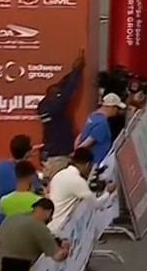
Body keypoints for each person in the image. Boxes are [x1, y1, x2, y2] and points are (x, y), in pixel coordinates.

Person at [0, 198, 70, 271]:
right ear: (48, 212)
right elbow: (58, 256)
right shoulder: (38, 226)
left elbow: (23, 238)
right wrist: (66, 248)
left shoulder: (13, 218)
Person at [37, 52, 85, 180]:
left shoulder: (44, 104)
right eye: (59, 95)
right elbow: (68, 91)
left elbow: (62, 86)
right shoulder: (55, 108)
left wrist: (74, 70)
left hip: (52, 153)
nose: (60, 94)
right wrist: (77, 71)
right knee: (57, 184)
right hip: (57, 156)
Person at [0, 134, 41, 249]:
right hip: (19, 227)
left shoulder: (0, 166)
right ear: (27, 152)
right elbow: (38, 191)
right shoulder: (29, 174)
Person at [47, 146, 115, 234]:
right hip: (62, 228)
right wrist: (108, 192)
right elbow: (96, 204)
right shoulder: (77, 180)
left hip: (53, 223)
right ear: (88, 165)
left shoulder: (59, 175)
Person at [76, 93, 124, 169]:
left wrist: (76, 148)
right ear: (111, 107)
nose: (117, 111)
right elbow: (87, 143)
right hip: (95, 165)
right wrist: (77, 154)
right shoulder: (102, 124)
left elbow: (80, 136)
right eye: (117, 108)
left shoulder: (92, 116)